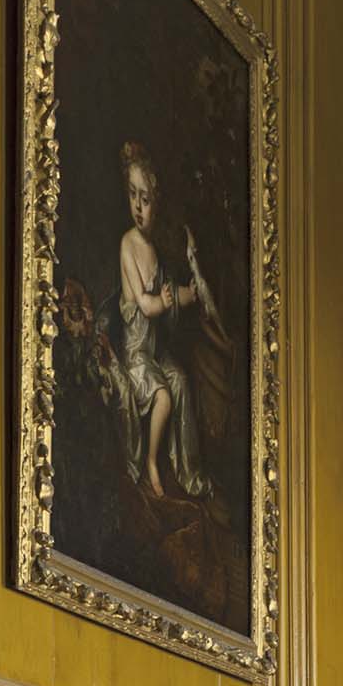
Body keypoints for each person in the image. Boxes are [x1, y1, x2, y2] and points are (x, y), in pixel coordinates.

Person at [116, 142, 227, 500]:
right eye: (132, 195)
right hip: (136, 354)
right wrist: (164, 301)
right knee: (163, 396)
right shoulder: (128, 245)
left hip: (154, 353)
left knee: (179, 380)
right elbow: (148, 306)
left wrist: (188, 295)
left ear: (156, 203)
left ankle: (185, 471)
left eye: (145, 199)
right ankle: (150, 463)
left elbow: (169, 296)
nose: (137, 206)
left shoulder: (156, 252)